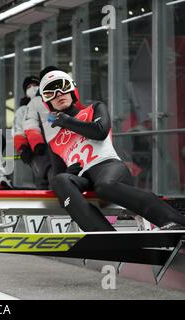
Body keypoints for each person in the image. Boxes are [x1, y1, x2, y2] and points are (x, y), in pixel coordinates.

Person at [32, 66, 185, 231]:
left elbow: (100, 131)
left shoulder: (94, 108)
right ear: (47, 102)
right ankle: (102, 233)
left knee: (104, 186)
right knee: (59, 180)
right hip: (83, 178)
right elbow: (57, 175)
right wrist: (68, 173)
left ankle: (175, 220)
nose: (58, 94)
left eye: (62, 87)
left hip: (108, 167)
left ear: (72, 89)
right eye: (50, 93)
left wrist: (66, 121)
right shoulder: (54, 141)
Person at [13, 76, 52, 189]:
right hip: (35, 152)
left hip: (53, 147)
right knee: (43, 177)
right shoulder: (22, 110)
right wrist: (23, 149)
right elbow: (19, 130)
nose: (33, 88)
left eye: (35, 85)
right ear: (25, 93)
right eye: (29, 87)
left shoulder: (49, 104)